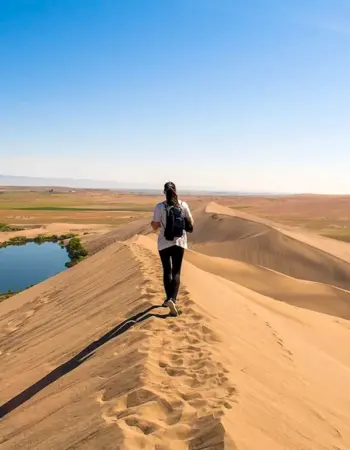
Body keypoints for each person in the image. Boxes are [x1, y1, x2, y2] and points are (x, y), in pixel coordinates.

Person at [151, 181, 194, 316]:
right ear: (176, 191)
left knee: (167, 270)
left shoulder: (159, 206)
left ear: (164, 192)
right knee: (176, 272)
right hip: (179, 242)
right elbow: (191, 223)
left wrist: (155, 224)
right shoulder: (183, 205)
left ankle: (167, 299)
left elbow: (155, 225)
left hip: (164, 243)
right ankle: (173, 299)